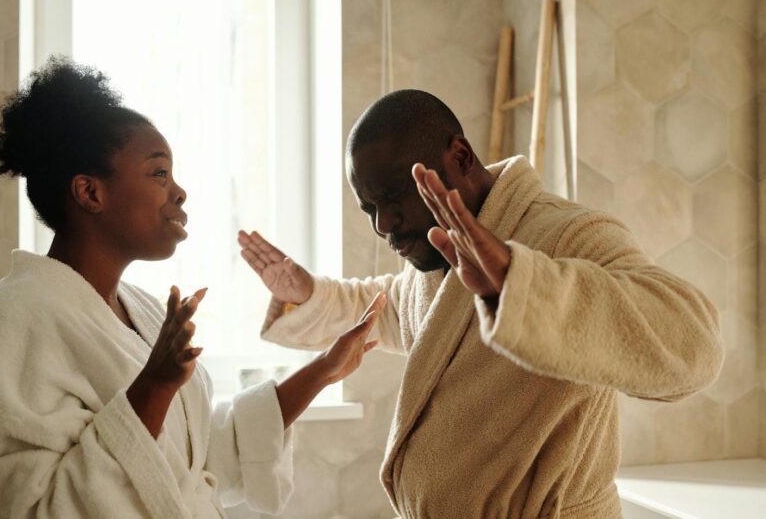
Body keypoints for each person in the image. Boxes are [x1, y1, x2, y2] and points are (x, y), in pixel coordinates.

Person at [237, 89, 724, 518]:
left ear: (461, 157)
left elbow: (693, 345)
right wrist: (308, 294)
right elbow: (380, 307)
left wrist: (522, 286)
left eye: (393, 197)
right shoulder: (434, 264)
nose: (383, 224)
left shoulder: (567, 234)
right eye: (369, 208)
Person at [0, 57, 386, 519]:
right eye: (159, 173)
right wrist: (155, 384)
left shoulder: (137, 309)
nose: (179, 192)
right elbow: (42, 507)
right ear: (90, 193)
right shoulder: (19, 316)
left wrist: (322, 371)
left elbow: (195, 457)